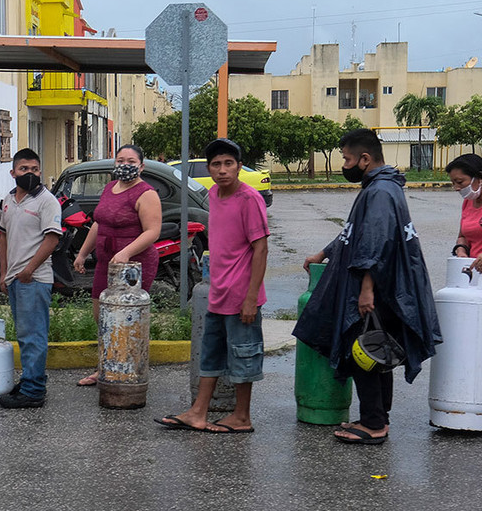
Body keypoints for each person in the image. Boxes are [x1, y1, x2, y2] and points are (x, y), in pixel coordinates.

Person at [294, 128, 442, 445]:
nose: (344, 164)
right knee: (376, 350)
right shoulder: (383, 188)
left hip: (379, 289)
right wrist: (324, 252)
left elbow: (376, 243)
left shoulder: (380, 192)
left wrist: (366, 289)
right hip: (384, 287)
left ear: (364, 158)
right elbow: (355, 233)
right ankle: (377, 419)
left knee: (362, 351)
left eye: (347, 159)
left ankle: (374, 424)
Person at [155, 138, 268, 433]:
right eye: (216, 164)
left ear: (239, 167)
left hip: (242, 294)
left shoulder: (250, 199)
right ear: (209, 169)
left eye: (228, 163)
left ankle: (242, 417)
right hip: (218, 291)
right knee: (211, 354)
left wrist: (251, 297)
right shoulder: (214, 195)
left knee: (244, 355)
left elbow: (261, 248)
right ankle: (198, 412)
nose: (222, 170)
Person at [72, 144, 161, 386]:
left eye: (131, 162)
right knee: (102, 316)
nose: (125, 165)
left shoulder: (146, 194)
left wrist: (126, 252)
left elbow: (153, 232)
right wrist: (82, 253)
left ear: (141, 166)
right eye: (120, 160)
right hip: (106, 262)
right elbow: (99, 223)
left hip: (134, 266)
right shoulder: (110, 188)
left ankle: (129, 369)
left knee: (128, 318)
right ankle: (104, 368)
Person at [0, 148, 61, 409]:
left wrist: (28, 270)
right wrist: (4, 273)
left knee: (33, 335)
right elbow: (3, 236)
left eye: (35, 169)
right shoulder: (9, 199)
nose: (30, 174)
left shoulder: (47, 201)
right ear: (13, 172)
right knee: (24, 334)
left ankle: (34, 391)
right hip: (15, 279)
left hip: (34, 279)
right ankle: (29, 380)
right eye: (24, 169)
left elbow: (52, 239)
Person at [447, 153, 482, 272]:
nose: (456, 187)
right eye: (453, 183)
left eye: (460, 182)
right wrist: (461, 250)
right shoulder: (468, 202)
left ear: (479, 178)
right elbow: (463, 236)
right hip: (475, 273)